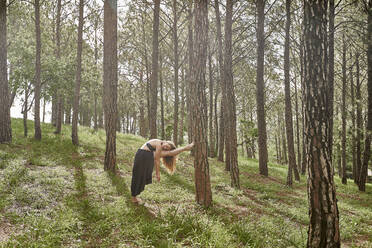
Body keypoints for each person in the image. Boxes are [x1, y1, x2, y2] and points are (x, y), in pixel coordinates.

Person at [130, 139, 194, 203]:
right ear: (166, 142)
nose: (165, 147)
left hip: (144, 156)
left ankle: (134, 196)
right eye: (167, 146)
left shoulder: (158, 147)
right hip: (143, 155)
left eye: (166, 148)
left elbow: (162, 156)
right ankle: (186, 148)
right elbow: (157, 160)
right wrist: (158, 174)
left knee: (141, 177)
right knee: (138, 177)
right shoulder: (158, 142)